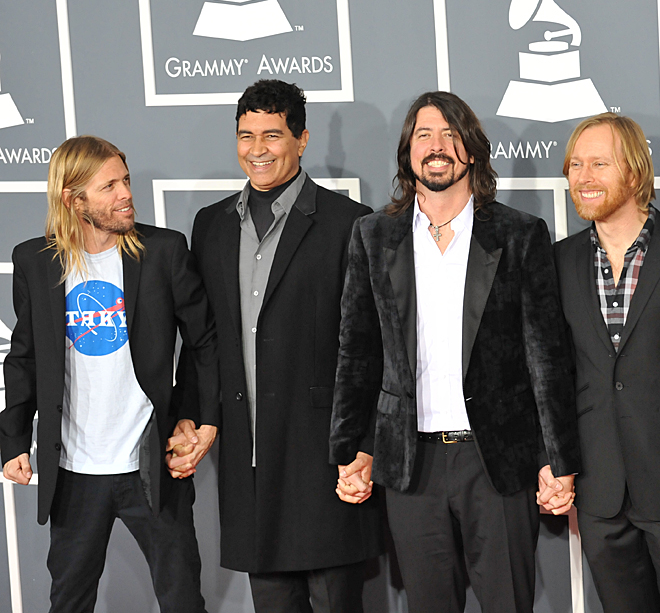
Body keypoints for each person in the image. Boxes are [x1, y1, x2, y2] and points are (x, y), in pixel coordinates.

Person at [329, 90, 580, 613]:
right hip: (409, 461)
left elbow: (546, 356)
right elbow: (357, 351)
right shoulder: (374, 236)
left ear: (472, 150)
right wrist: (351, 446)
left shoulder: (518, 234)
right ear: (408, 152)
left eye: (450, 134)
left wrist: (555, 459)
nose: (437, 145)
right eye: (424, 134)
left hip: (496, 460)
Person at [169, 79, 380, 613]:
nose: (257, 150)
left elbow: (369, 348)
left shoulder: (348, 223)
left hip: (324, 458)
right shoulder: (211, 225)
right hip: (248, 462)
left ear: (302, 139)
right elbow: (203, 337)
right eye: (245, 135)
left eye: (272, 135)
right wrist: (194, 414)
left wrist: (363, 442)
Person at [0, 135, 217, 613]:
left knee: (183, 601)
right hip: (74, 470)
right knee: (69, 602)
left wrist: (194, 418)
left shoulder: (163, 251)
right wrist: (13, 437)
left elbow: (204, 343)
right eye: (109, 186)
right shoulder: (36, 261)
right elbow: (25, 354)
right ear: (73, 199)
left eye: (126, 180)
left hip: (150, 462)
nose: (126, 194)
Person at [553, 112, 660, 613]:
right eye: (575, 165)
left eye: (599, 164)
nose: (582, 177)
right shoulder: (557, 262)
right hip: (599, 490)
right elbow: (554, 377)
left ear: (633, 171)